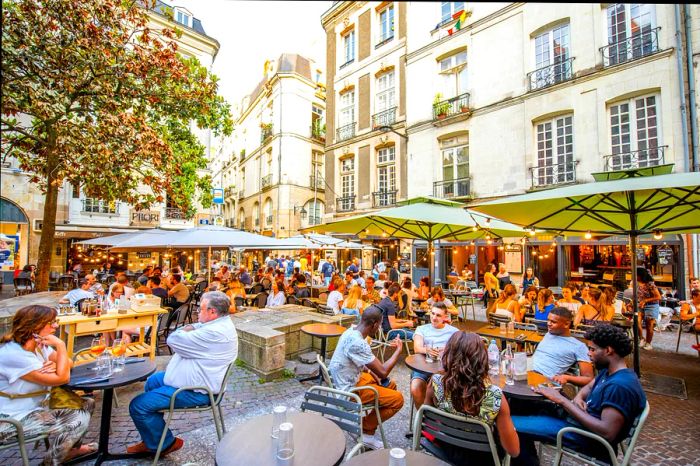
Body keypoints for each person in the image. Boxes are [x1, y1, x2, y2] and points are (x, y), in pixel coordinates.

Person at [511, 325, 647, 466]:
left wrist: (562, 400)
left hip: (584, 437)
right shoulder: (611, 372)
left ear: (608, 351)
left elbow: (607, 432)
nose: (588, 354)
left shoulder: (619, 386)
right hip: (576, 423)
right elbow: (589, 386)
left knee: (507, 424)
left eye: (592, 349)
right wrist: (578, 397)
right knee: (521, 405)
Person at [128, 291, 238, 455]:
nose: (197, 312)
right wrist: (192, 327)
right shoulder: (218, 323)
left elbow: (172, 340)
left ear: (212, 312)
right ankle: (153, 436)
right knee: (153, 382)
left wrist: (188, 329)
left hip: (198, 391)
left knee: (138, 405)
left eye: (201, 309)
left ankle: (164, 443)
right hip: (194, 379)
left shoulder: (214, 333)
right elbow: (197, 326)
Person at [0, 305, 96, 464]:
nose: (56, 326)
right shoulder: (13, 354)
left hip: (33, 409)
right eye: (51, 323)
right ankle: (49, 463)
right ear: (34, 326)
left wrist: (58, 363)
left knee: (87, 404)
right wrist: (61, 345)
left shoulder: (38, 345)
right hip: (9, 419)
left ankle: (70, 450)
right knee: (77, 419)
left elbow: (69, 362)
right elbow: (63, 378)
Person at [425, 332, 520, 464]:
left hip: (445, 449)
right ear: (483, 359)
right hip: (483, 458)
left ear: (448, 355)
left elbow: (428, 417)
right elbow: (513, 451)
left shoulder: (435, 383)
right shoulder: (496, 396)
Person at [327, 306, 404, 450]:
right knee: (398, 399)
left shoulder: (350, 332)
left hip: (345, 381)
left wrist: (373, 373)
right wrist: (398, 351)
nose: (379, 328)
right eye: (380, 325)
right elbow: (383, 371)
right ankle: (366, 432)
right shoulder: (359, 343)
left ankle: (368, 425)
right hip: (349, 391)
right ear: (374, 324)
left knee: (390, 385)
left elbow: (361, 363)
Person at [410, 303, 459, 409]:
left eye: (438, 315)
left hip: (444, 368)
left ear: (445, 317)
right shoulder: (421, 329)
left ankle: (435, 416)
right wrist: (427, 350)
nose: (434, 317)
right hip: (423, 366)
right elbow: (417, 348)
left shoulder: (454, 332)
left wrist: (446, 350)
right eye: (432, 314)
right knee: (415, 388)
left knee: (435, 387)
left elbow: (459, 351)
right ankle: (422, 418)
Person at [532, 307, 594, 387]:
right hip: (526, 373)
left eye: (553, 322)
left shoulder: (578, 346)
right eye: (548, 320)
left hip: (543, 382)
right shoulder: (549, 334)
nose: (548, 323)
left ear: (566, 324)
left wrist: (567, 377)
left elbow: (589, 379)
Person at [636, 267, 661, 351]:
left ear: (640, 275)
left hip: (651, 306)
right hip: (641, 305)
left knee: (649, 325)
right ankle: (641, 338)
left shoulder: (650, 284)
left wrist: (645, 300)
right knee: (637, 321)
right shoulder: (637, 283)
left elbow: (658, 297)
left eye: (636, 275)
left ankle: (648, 343)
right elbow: (639, 295)